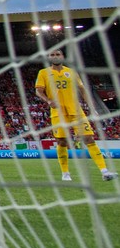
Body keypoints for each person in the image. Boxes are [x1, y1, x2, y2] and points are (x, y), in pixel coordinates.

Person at [34, 47, 116, 182]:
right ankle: (65, 173)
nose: (55, 56)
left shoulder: (71, 72)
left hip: (76, 111)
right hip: (58, 112)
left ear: (62, 56)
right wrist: (48, 100)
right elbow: (39, 91)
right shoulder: (43, 73)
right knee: (62, 141)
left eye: (58, 54)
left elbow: (83, 90)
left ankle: (104, 171)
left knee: (89, 138)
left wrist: (92, 108)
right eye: (52, 55)